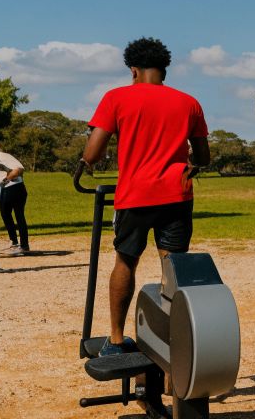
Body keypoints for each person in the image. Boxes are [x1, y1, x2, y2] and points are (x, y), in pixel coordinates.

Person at [81, 38, 209, 356]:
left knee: (126, 261)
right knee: (173, 269)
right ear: (164, 71)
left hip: (134, 197)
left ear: (134, 70)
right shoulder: (189, 102)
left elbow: (92, 154)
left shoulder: (116, 98)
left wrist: (87, 159)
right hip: (176, 197)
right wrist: (187, 162)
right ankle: (174, 349)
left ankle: (114, 340)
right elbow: (203, 157)